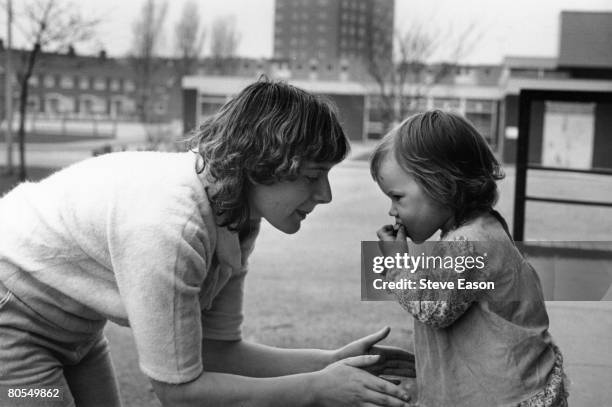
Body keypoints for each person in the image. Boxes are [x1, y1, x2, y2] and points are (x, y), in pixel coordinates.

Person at [0, 80, 415, 407]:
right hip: (12, 321)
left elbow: (216, 351)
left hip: (76, 330)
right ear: (261, 164)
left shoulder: (233, 212)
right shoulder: (172, 226)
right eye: (311, 176)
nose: (325, 195)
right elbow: (178, 393)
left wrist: (329, 364)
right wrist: (313, 390)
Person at [370, 110, 568, 406]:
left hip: (505, 396)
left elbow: (434, 308)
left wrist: (397, 265)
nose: (392, 211)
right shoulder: (481, 228)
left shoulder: (467, 244)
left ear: (443, 186)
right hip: (510, 386)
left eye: (398, 197)